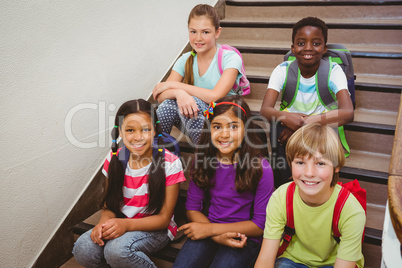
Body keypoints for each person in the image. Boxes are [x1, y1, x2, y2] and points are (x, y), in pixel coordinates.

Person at [72, 99, 186, 268]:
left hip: (156, 230)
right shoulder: (114, 159)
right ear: (120, 132)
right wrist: (102, 225)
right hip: (121, 221)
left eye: (145, 129)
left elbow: (163, 219)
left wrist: (126, 225)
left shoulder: (170, 163)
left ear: (155, 130)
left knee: (117, 250)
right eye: (130, 130)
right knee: (82, 248)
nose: (138, 137)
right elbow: (109, 205)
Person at [173, 95, 275, 268]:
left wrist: (211, 230)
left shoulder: (261, 168)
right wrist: (214, 234)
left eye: (233, 126)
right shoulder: (203, 161)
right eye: (217, 126)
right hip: (208, 227)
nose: (225, 134)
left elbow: (259, 225)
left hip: (244, 236)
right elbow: (192, 208)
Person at [260, 17, 354, 188]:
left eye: (316, 43)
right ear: (293, 48)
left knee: (292, 131)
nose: (308, 48)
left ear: (325, 48)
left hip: (322, 128)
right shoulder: (282, 70)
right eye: (301, 43)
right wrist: (285, 117)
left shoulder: (333, 70)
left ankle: (321, 187)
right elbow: (265, 109)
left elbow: (347, 112)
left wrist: (306, 124)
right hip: (288, 129)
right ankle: (283, 187)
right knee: (276, 126)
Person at [255, 123, 365, 268]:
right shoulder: (281, 197)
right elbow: (265, 259)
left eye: (320, 163)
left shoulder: (351, 210)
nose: (309, 173)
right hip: (293, 261)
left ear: (336, 166)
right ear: (290, 164)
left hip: (334, 263)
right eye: (300, 162)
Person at [153, 4, 243, 144]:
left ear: (217, 32)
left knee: (192, 102)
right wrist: (179, 93)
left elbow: (215, 96)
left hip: (225, 121)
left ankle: (207, 155)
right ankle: (158, 154)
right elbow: (160, 96)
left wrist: (174, 85)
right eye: (193, 31)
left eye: (205, 32)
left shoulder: (230, 58)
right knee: (167, 106)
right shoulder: (185, 59)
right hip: (197, 119)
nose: (198, 38)